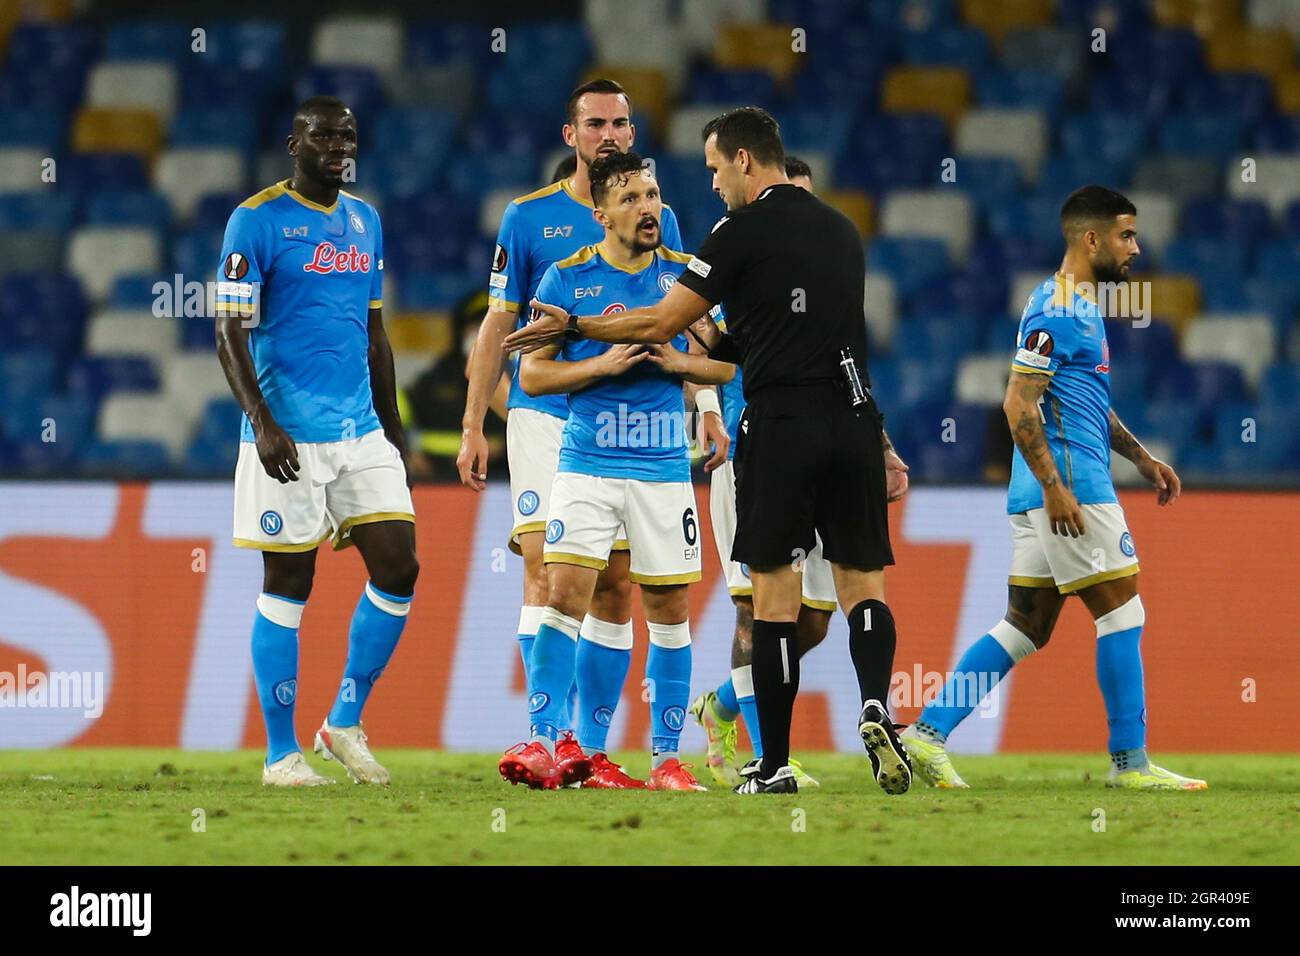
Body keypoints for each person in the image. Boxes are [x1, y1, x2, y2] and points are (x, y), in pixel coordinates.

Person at [506, 107, 910, 796]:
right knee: (861, 588)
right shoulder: (844, 231)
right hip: (847, 420)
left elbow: (683, 329)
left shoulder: (730, 236)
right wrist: (880, 440)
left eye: (715, 168)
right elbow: (796, 339)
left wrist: (584, 330)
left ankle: (765, 763)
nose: (710, 184)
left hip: (765, 431)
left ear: (744, 162)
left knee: (769, 606)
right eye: (635, 195)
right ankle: (877, 703)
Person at [456, 79, 729, 784]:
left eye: (622, 123)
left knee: (623, 589)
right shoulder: (532, 226)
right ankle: (545, 738)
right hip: (557, 428)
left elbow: (701, 339)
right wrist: (472, 418)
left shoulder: (666, 239)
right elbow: (505, 332)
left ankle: (598, 749)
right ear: (570, 135)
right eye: (597, 123)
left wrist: (702, 404)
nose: (611, 134)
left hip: (653, 444)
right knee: (550, 576)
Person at [901, 186, 1207, 792]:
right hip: (1071, 490)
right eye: (1126, 235)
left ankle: (925, 735)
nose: (1136, 249)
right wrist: (1056, 488)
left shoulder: (1078, 307)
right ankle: (1131, 765)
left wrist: (1143, 458)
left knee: (1025, 625)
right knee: (1123, 613)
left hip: (1049, 489)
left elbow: (1089, 405)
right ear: (1091, 239)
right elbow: (1018, 401)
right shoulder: (1060, 307)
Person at [688, 155, 910, 788]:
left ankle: (739, 721)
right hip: (747, 447)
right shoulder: (758, 249)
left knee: (803, 616)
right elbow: (715, 350)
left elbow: (845, 360)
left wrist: (884, 442)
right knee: (761, 609)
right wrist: (706, 402)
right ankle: (771, 745)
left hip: (795, 435)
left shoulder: (796, 250)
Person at [215, 96, 418, 787]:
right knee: (288, 583)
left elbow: (375, 332)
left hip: (360, 430)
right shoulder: (256, 220)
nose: (339, 145)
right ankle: (280, 755)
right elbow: (228, 332)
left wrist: (392, 430)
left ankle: (344, 721)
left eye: (348, 135)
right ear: (293, 140)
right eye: (325, 134)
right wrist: (262, 421)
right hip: (288, 433)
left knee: (399, 568)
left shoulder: (367, 221)